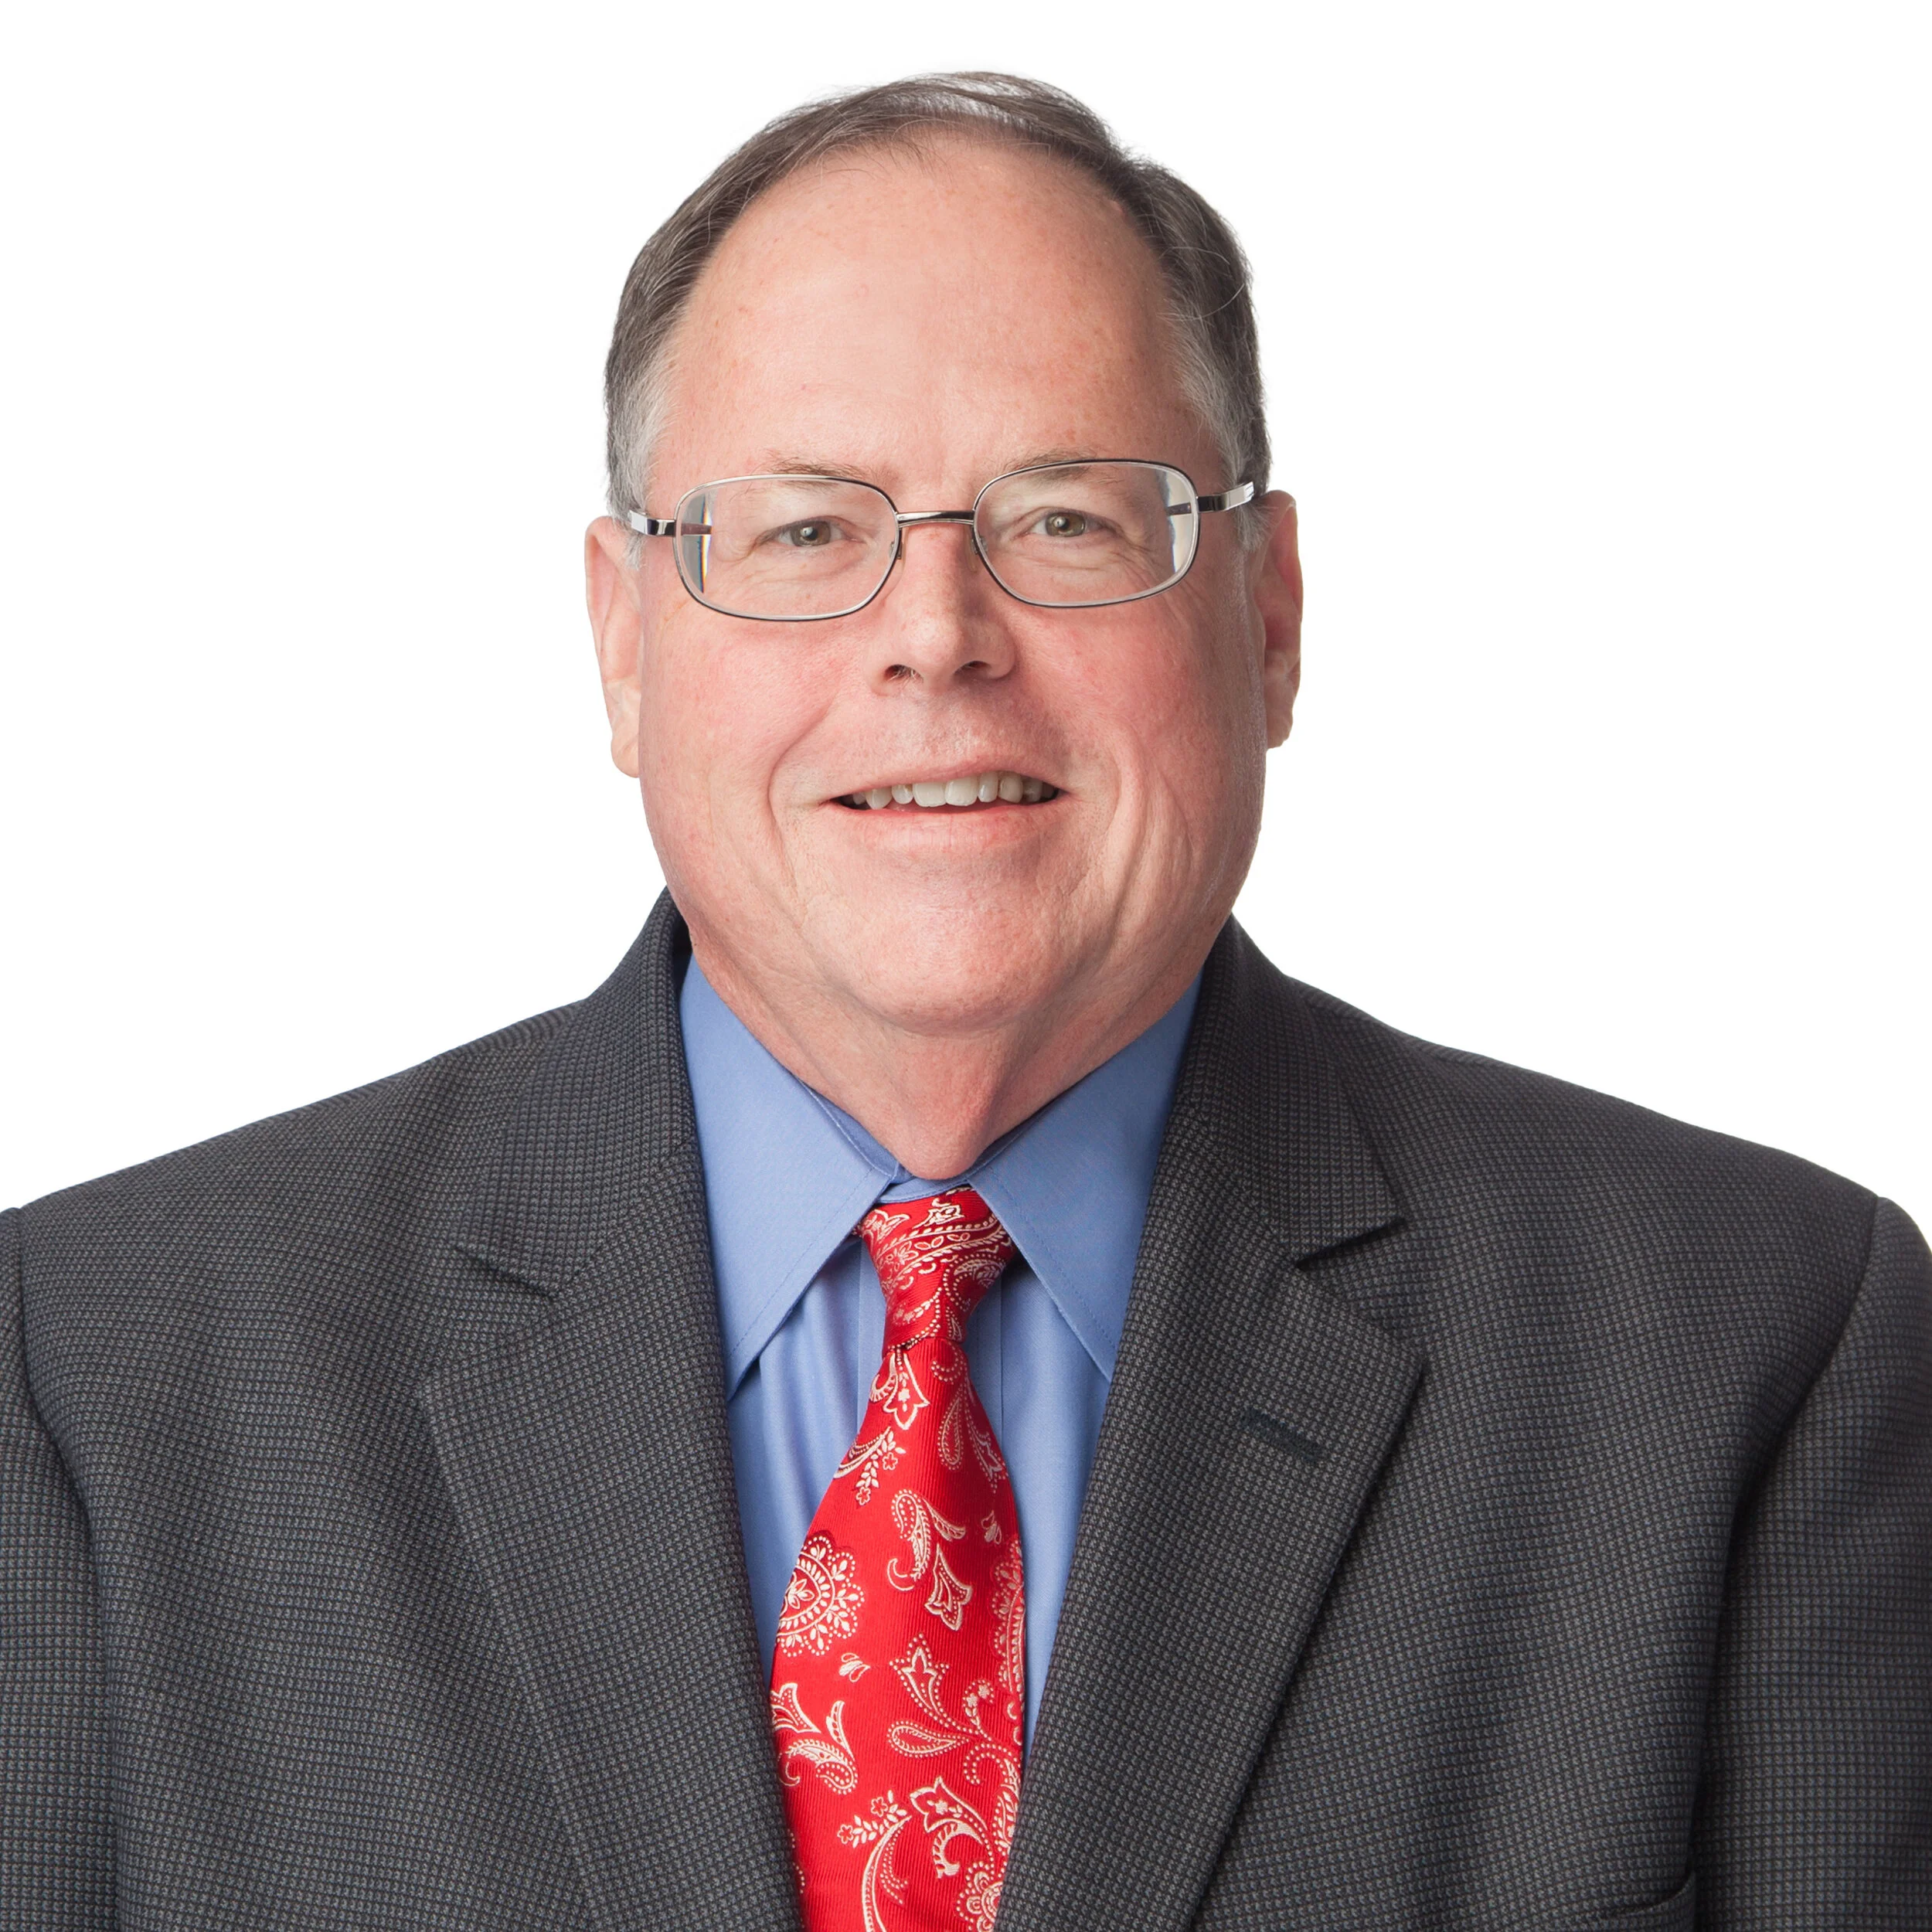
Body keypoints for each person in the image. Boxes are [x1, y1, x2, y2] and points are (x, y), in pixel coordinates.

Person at [4, 70, 1926, 1932]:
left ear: (1266, 613)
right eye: (803, 531)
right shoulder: (95, 1376)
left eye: (1068, 518)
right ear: (622, 641)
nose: (934, 637)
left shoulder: (1743, 1352)